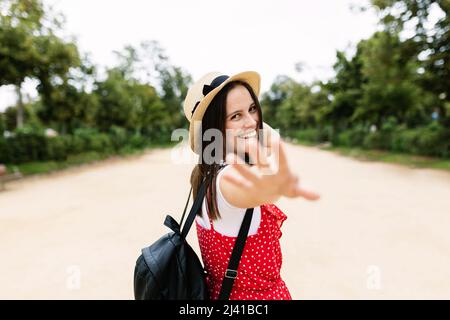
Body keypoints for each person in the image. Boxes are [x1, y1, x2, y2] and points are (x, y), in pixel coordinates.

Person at [183, 71, 320, 300]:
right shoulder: (227, 179)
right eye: (235, 116)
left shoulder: (206, 173)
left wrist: (245, 127)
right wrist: (271, 188)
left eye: (253, 108)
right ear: (215, 128)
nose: (252, 121)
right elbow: (249, 191)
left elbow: (263, 133)